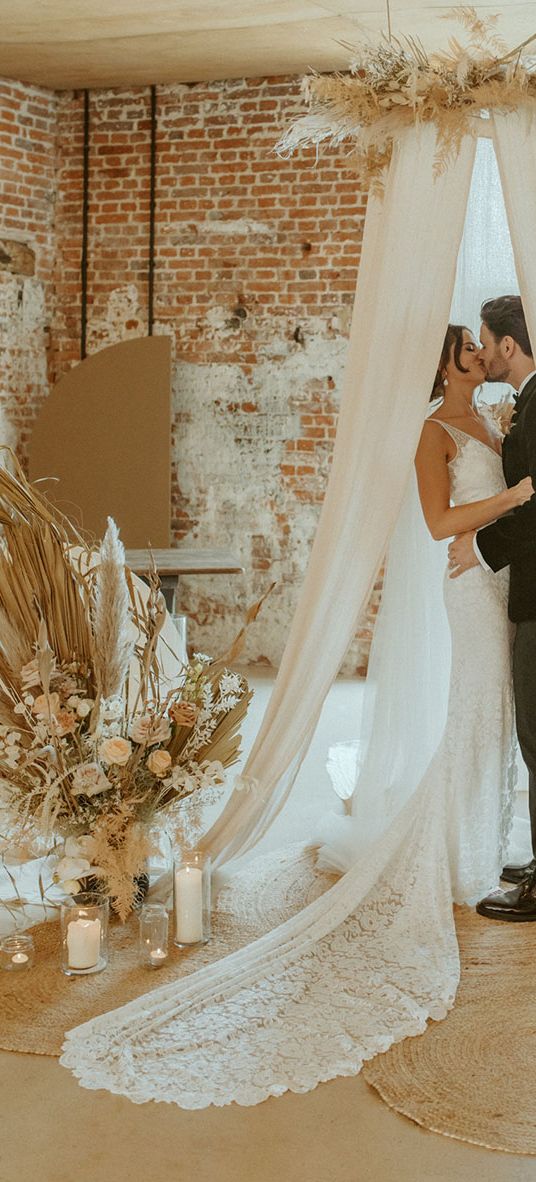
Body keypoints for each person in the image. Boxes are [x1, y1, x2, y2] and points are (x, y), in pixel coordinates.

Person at [448, 297, 536, 921]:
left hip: (527, 590)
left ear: (509, 345)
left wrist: (477, 548)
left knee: (534, 735)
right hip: (514, 591)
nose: (482, 351)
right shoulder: (519, 406)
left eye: (486, 341)